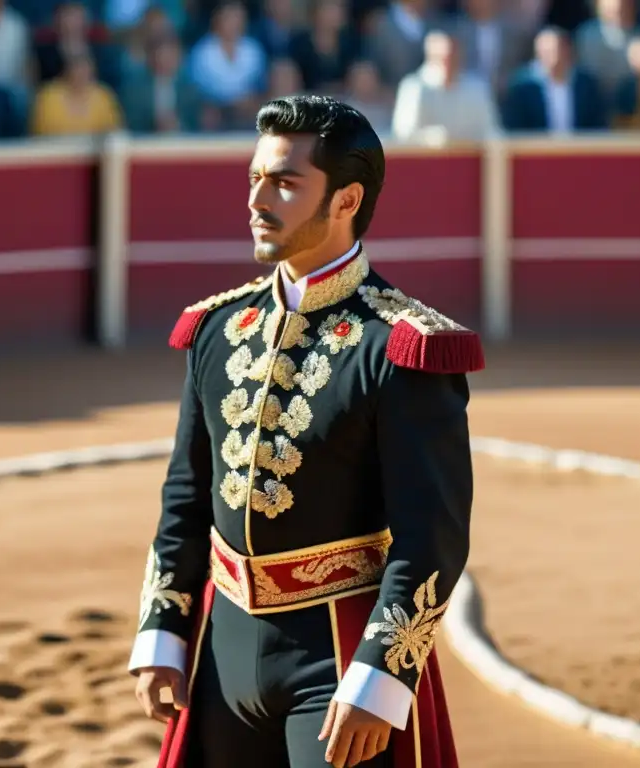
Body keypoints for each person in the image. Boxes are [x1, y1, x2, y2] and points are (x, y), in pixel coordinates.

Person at [127, 94, 482, 768]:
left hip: (339, 658)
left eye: (286, 183)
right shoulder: (218, 330)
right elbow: (186, 497)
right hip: (221, 654)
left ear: (346, 201)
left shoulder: (400, 348)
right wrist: (163, 631)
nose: (259, 199)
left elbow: (432, 533)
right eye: (256, 178)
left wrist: (382, 674)